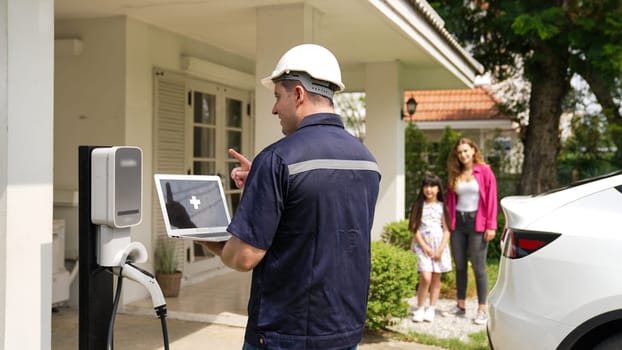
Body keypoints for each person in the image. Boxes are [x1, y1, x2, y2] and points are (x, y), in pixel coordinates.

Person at [201, 43, 381, 350]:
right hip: (345, 332)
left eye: (277, 97)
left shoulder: (277, 159)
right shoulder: (366, 160)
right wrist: (263, 189)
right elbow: (322, 220)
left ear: (298, 94)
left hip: (283, 335)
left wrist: (210, 241)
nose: (274, 109)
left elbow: (245, 257)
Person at [444, 137, 497, 325]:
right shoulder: (455, 174)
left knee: (478, 266)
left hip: (478, 223)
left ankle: (482, 308)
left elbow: (491, 199)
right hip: (458, 223)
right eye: (459, 152)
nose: (463, 155)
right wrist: (448, 223)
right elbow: (450, 201)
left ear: (474, 150)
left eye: (466, 151)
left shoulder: (485, 172)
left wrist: (491, 225)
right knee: (459, 264)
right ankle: (460, 305)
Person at [408, 173, 452, 323]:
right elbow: (415, 229)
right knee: (426, 277)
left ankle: (431, 308)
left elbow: (446, 230)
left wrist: (440, 249)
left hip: (439, 247)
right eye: (426, 186)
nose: (429, 189)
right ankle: (420, 307)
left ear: (438, 189)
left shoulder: (441, 207)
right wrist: (425, 246)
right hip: (423, 246)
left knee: (435, 279)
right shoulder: (418, 205)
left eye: (432, 186)